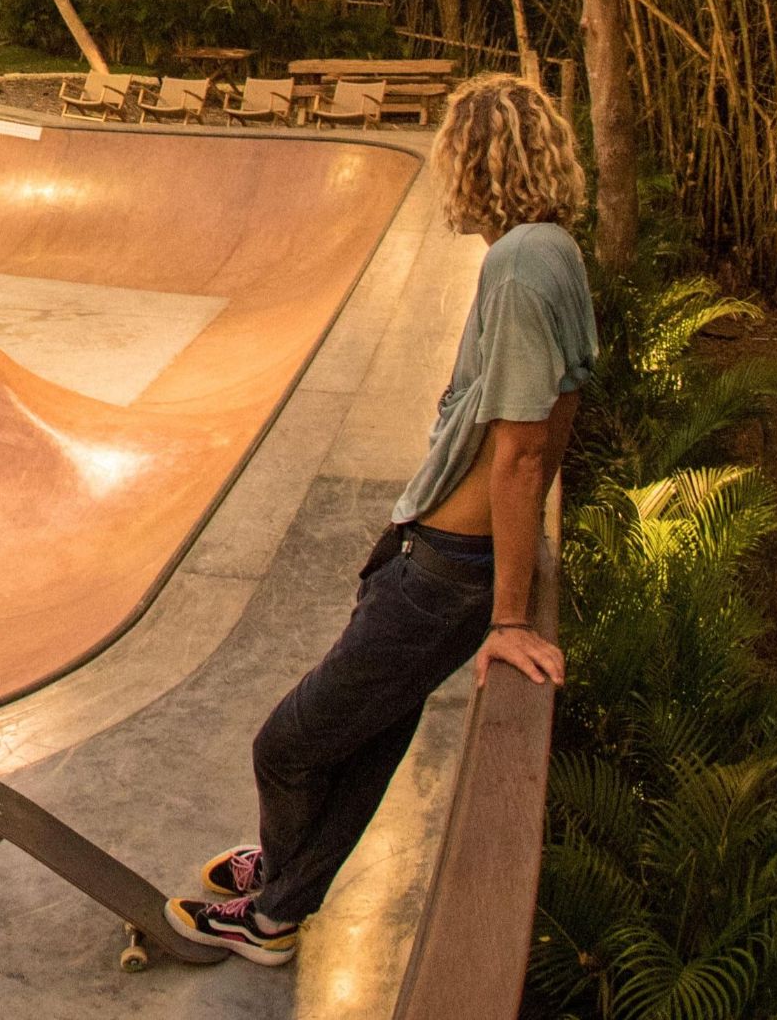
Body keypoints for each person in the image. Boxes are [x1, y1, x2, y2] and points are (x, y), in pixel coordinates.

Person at [168, 71, 597, 965]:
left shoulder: (517, 267)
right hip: (445, 561)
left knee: (287, 745)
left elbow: (520, 453)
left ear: (476, 163)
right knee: (367, 741)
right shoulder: (556, 251)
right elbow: (558, 416)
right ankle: (282, 894)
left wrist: (508, 615)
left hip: (444, 572)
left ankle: (272, 904)